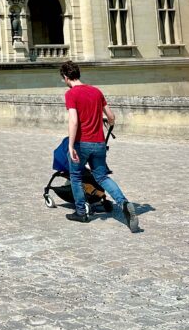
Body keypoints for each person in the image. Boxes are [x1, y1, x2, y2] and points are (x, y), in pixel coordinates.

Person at [59, 60, 139, 231]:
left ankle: (81, 212)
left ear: (66, 77)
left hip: (82, 143)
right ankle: (124, 203)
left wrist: (71, 145)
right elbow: (111, 117)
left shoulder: (71, 94)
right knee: (102, 177)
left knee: (76, 176)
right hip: (99, 143)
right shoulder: (96, 91)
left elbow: (74, 120)